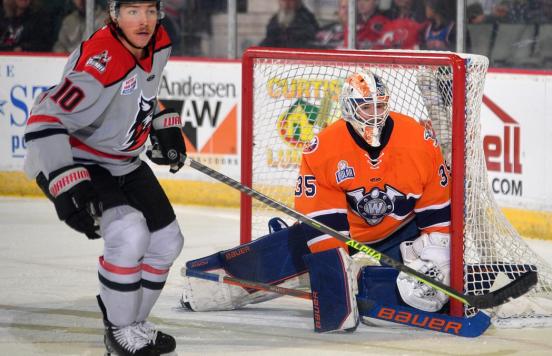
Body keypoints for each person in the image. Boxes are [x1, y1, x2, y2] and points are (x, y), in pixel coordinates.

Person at [180, 69, 452, 333]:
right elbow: (324, 226)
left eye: (380, 106)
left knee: (420, 287)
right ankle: (201, 285)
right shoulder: (325, 149)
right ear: (349, 108)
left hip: (399, 234)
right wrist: (336, 272)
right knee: (269, 265)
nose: (376, 115)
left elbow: (437, 211)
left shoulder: (418, 140)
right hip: (343, 235)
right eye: (366, 107)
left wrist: (436, 256)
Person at [23, 1, 185, 354]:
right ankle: (119, 330)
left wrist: (158, 121)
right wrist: (65, 180)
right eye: (132, 11)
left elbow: (141, 91)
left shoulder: (160, 40)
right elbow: (44, 120)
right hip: (79, 158)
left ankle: (133, 325)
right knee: (129, 235)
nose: (143, 21)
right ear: (113, 14)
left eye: (149, 10)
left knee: (167, 241)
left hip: (123, 160)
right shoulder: (100, 61)